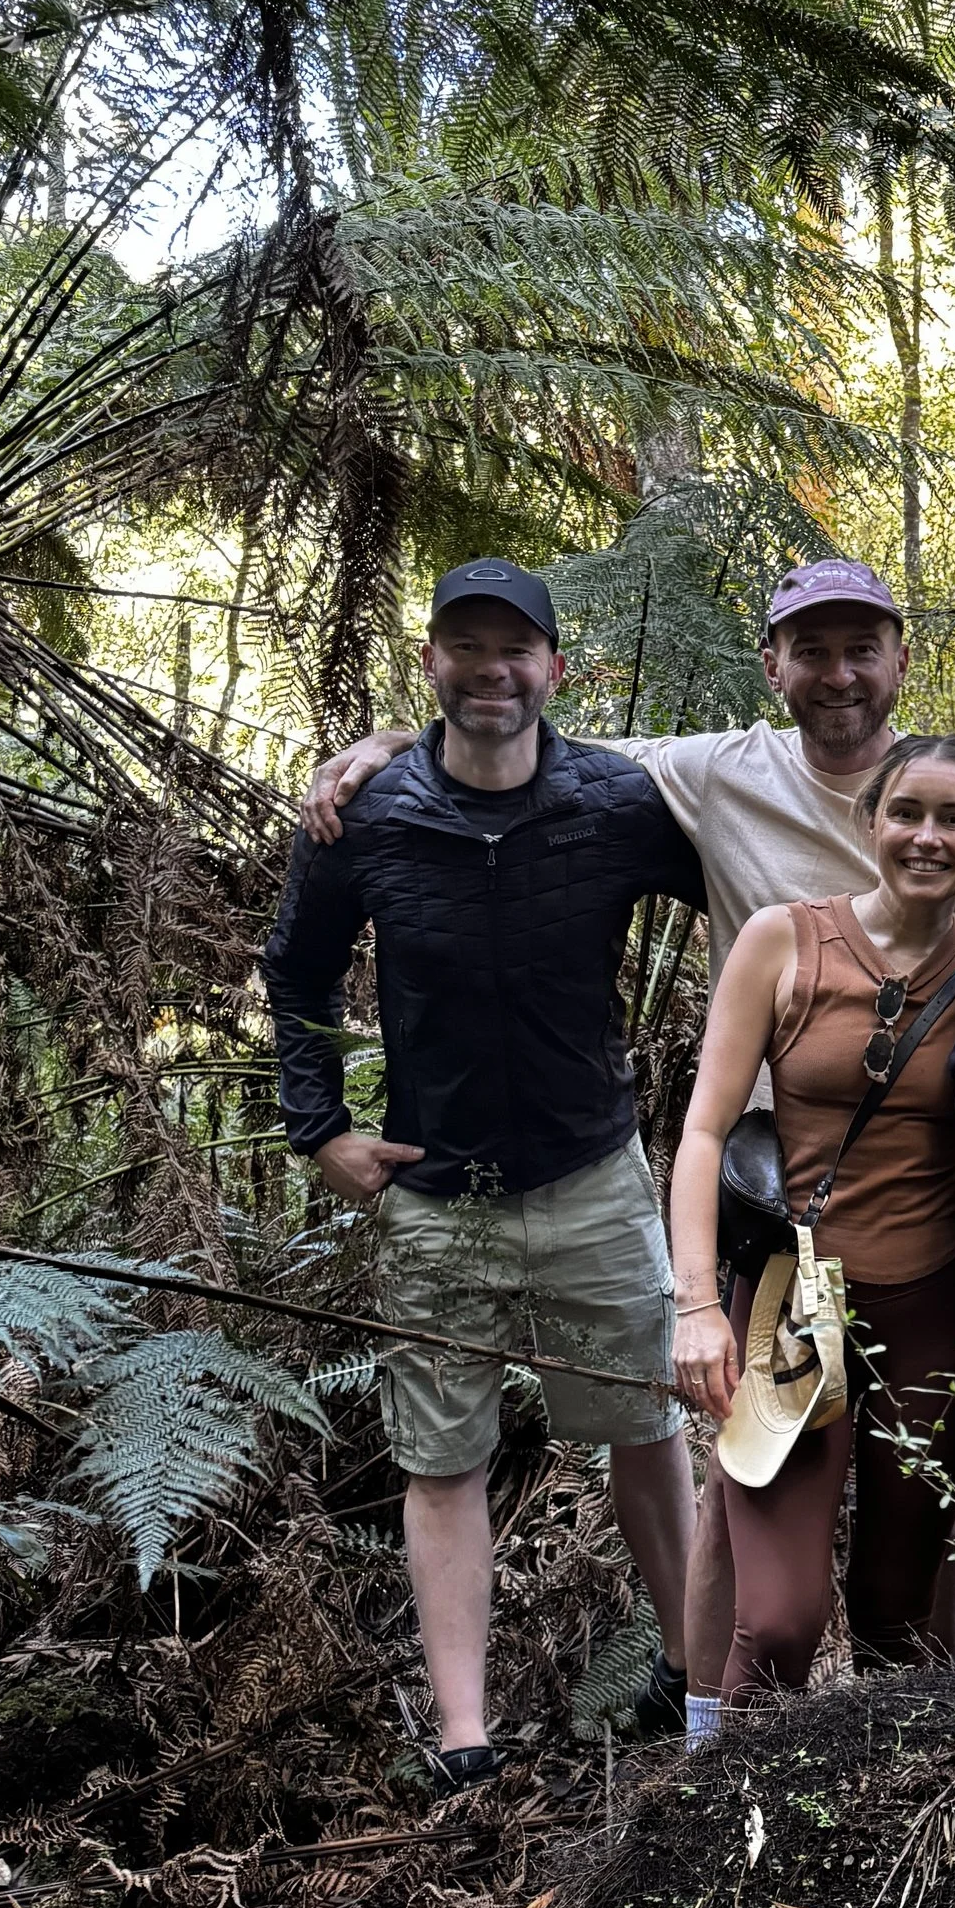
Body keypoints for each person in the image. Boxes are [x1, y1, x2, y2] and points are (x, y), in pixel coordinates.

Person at [299, 555, 955, 1687]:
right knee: (741, 1499)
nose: (838, 674)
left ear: (900, 661)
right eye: (811, 649)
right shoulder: (711, 775)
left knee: (947, 1494)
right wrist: (394, 745)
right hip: (776, 1206)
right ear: (773, 665)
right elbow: (516, 734)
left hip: (943, 1200)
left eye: (862, 649)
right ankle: (713, 1722)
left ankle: (929, 1721)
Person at [261, 559, 708, 1787]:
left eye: (517, 649)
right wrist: (320, 1131)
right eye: (467, 646)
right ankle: (464, 1734)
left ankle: (690, 1679)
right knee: (441, 1455)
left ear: (555, 670)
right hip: (433, 1196)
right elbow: (294, 974)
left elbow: (752, 878)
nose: (492, 669)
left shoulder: (618, 805)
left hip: (593, 1182)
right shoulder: (371, 819)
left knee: (643, 1430)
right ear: (433, 663)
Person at [668, 736, 955, 1710]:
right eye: (907, 813)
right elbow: (702, 1131)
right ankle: (712, 1824)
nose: (927, 837)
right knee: (776, 1621)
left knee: (897, 1608)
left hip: (936, 1311)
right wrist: (697, 1305)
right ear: (869, 822)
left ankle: (877, 1825)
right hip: (791, 1302)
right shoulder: (784, 939)